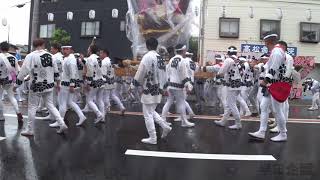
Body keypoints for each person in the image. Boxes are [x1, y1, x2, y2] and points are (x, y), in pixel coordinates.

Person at [14, 38, 68, 136]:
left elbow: (23, 72)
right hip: (49, 85)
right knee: (51, 105)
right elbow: (56, 72)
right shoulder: (52, 56)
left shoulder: (30, 56)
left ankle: (30, 129)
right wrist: (58, 83)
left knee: (32, 107)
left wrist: (16, 85)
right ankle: (62, 123)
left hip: (36, 86)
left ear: (34, 46)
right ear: (43, 45)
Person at [130, 37, 171, 145]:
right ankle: (165, 126)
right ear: (156, 46)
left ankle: (153, 137)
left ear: (147, 46)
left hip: (149, 89)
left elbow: (140, 73)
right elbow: (164, 75)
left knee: (147, 114)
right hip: (158, 89)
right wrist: (164, 89)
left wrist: (132, 85)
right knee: (151, 111)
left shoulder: (147, 57)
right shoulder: (160, 58)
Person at [248, 34, 288, 142]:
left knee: (277, 110)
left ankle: (283, 133)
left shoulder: (276, 51)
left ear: (269, 41)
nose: (264, 44)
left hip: (275, 84)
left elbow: (273, 68)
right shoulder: (276, 51)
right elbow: (268, 66)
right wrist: (258, 66)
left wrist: (265, 80)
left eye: (265, 42)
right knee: (264, 106)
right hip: (273, 84)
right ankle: (261, 131)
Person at [49, 45, 87, 128]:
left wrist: (72, 85)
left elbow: (73, 73)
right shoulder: (67, 58)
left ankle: (60, 121)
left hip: (67, 84)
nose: (64, 51)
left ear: (71, 50)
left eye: (67, 49)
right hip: (66, 83)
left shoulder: (71, 60)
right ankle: (81, 116)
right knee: (70, 102)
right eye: (63, 49)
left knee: (62, 103)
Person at [162, 44, 194, 127]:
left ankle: (163, 120)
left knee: (169, 102)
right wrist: (188, 85)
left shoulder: (171, 59)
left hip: (170, 84)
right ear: (183, 51)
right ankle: (184, 122)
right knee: (182, 102)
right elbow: (183, 74)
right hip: (178, 85)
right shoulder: (182, 60)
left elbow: (167, 72)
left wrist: (166, 85)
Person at [214, 46, 243, 130]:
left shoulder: (228, 60)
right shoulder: (238, 60)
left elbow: (221, 71)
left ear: (228, 53)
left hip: (232, 85)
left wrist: (217, 75)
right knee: (230, 104)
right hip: (238, 83)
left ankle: (238, 123)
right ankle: (223, 121)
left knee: (231, 104)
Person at [0, 41, 23, 127]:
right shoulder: (13, 58)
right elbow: (18, 71)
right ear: (8, 49)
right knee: (12, 97)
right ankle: (18, 112)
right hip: (9, 80)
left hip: (0, 80)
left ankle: (1, 116)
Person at [84, 44, 105, 123]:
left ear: (90, 50)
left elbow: (89, 72)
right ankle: (103, 117)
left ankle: (99, 114)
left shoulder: (89, 59)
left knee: (89, 100)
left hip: (94, 81)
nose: (87, 49)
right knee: (100, 100)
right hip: (101, 80)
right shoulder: (99, 58)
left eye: (88, 48)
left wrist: (88, 83)